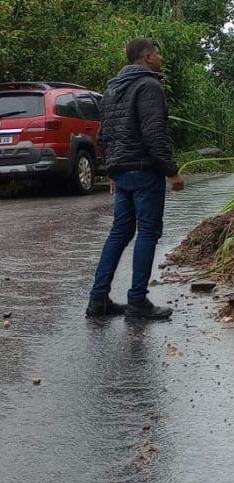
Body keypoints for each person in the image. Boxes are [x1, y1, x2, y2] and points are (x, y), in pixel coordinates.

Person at [86, 38, 184, 320]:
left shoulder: (113, 88)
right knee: (148, 232)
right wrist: (171, 170)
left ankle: (98, 299)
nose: (161, 58)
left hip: (122, 169)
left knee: (119, 232)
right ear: (148, 57)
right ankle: (138, 301)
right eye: (159, 53)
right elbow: (154, 133)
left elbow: (104, 134)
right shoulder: (149, 85)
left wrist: (112, 169)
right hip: (144, 170)